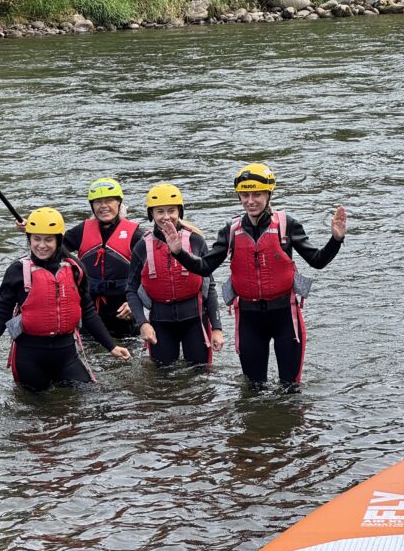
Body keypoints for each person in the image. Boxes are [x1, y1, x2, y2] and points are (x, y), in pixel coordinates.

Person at [159, 163, 347, 386]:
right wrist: (178, 252)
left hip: (285, 316)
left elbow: (317, 260)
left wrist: (336, 239)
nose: (250, 201)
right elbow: (204, 267)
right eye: (245, 195)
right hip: (249, 319)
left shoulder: (287, 225)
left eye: (257, 194)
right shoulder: (231, 230)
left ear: (268, 194)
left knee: (290, 388)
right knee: (253, 388)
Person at [0, 208, 131, 390]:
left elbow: (88, 312)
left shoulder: (75, 268)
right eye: (36, 239)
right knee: (37, 405)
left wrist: (111, 347)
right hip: (29, 358)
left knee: (90, 397)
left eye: (48, 239)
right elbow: (1, 315)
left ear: (59, 240)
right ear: (29, 239)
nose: (42, 245)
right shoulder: (17, 271)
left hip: (66, 355)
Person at [126, 184, 224, 366]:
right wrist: (143, 323)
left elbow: (209, 286)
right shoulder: (142, 247)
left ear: (180, 212)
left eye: (171, 210)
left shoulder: (195, 240)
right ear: (151, 214)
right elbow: (131, 289)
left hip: (195, 320)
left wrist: (217, 328)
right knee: (162, 376)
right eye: (160, 211)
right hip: (160, 322)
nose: (166, 217)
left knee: (200, 374)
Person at [63, 177, 143, 338]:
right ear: (92, 206)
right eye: (98, 202)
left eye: (109, 201)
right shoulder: (81, 231)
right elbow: (51, 247)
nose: (104, 206)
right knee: (91, 347)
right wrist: (32, 231)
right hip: (91, 310)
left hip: (124, 311)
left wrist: (136, 302)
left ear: (119, 203)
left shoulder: (135, 235)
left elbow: (152, 273)